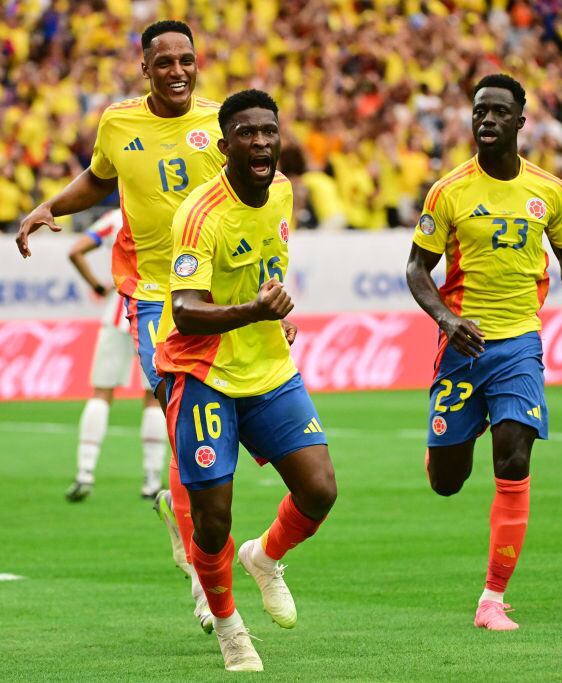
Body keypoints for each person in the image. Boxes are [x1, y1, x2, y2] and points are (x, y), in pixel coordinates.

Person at [15, 20, 224, 632]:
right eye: (165, 62)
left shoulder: (222, 122)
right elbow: (100, 179)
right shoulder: (117, 122)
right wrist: (51, 205)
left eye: (187, 59)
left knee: (220, 438)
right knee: (185, 424)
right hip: (154, 292)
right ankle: (201, 575)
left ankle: (185, 521)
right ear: (145, 69)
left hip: (219, 291)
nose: (178, 71)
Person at [405, 74, 562, 631]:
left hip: (519, 344)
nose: (486, 120)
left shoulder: (550, 191)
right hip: (463, 346)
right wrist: (446, 319)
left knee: (513, 458)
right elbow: (417, 267)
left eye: (498, 112)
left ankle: (492, 598)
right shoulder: (448, 192)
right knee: (447, 480)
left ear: (520, 122)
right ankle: (447, 444)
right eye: (479, 111)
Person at [155, 90, 337, 672]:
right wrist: (256, 311)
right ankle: (231, 628)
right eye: (247, 133)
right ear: (224, 144)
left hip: (268, 368)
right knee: (213, 522)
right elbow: (185, 311)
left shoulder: (282, 189)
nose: (260, 142)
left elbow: (263, 269)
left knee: (319, 490)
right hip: (203, 372)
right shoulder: (200, 215)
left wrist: (273, 313)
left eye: (268, 131)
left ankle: (264, 557)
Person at [64, 209, 166, 502]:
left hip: (118, 310)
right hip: (156, 314)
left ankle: (85, 473)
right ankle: (151, 479)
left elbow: (75, 251)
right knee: (154, 397)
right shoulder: (169, 209)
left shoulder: (115, 218)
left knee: (101, 393)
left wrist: (98, 286)